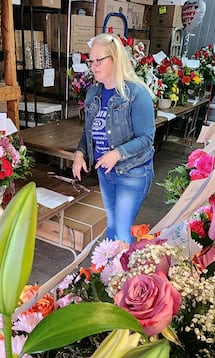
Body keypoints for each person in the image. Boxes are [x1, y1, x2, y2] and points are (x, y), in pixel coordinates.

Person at [71, 33, 156, 243]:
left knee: (121, 230)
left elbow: (147, 138)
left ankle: (122, 272)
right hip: (105, 172)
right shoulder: (93, 94)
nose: (93, 65)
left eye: (99, 60)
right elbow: (88, 133)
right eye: (91, 60)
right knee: (113, 225)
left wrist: (117, 153)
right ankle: (111, 270)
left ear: (115, 59)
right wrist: (80, 153)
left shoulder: (136, 94)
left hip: (132, 172)